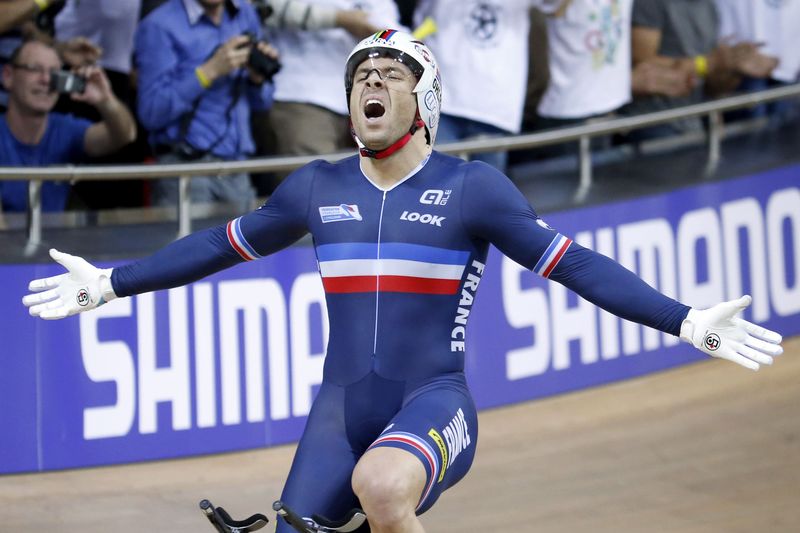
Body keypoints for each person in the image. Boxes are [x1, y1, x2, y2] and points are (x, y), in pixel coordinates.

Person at [22, 30, 784, 533]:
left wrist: (685, 320)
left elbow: (576, 265)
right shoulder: (314, 187)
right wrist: (111, 283)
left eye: (391, 74)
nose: (371, 84)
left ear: (425, 104)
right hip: (339, 408)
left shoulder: (472, 189)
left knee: (383, 488)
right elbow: (217, 247)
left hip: (435, 402)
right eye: (362, 77)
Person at [134, 0, 278, 210]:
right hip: (185, 168)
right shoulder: (159, 25)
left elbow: (263, 102)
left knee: (243, 243)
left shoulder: (244, 14)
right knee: (188, 243)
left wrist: (257, 79)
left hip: (238, 168)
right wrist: (208, 72)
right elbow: (151, 112)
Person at [0, 39, 136, 212]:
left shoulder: (64, 129)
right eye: (35, 69)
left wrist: (105, 100)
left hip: (52, 237)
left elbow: (125, 135)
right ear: (8, 76)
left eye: (54, 72)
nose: (46, 79)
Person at [625, 0, 778, 140]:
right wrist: (708, 64)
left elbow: (711, 87)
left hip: (694, 120)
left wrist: (733, 67)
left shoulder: (710, 7)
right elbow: (642, 64)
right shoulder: (650, 3)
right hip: (652, 121)